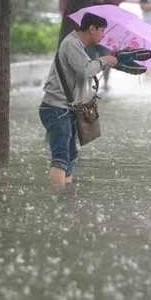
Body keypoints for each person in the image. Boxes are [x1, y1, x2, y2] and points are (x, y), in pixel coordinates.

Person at [39, 13, 117, 186]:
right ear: (92, 28)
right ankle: (54, 201)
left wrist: (109, 60)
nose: (103, 35)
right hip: (56, 109)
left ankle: (65, 200)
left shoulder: (78, 46)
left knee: (71, 155)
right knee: (61, 156)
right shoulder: (71, 44)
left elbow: (84, 76)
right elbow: (85, 70)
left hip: (65, 109)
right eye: (102, 31)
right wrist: (104, 60)